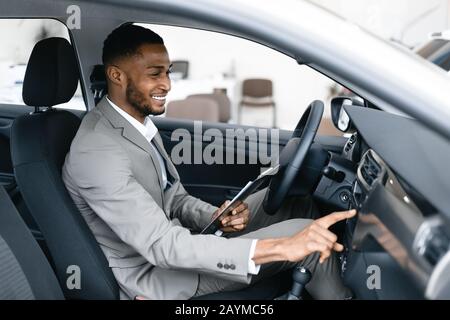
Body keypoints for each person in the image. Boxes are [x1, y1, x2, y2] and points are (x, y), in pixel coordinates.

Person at [62, 24, 354, 300]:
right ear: (117, 76)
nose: (166, 85)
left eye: (168, 72)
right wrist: (283, 247)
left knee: (297, 204)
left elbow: (173, 199)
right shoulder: (96, 150)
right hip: (159, 276)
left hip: (179, 245)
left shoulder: (135, 126)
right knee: (310, 240)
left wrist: (215, 217)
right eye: (154, 74)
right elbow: (163, 246)